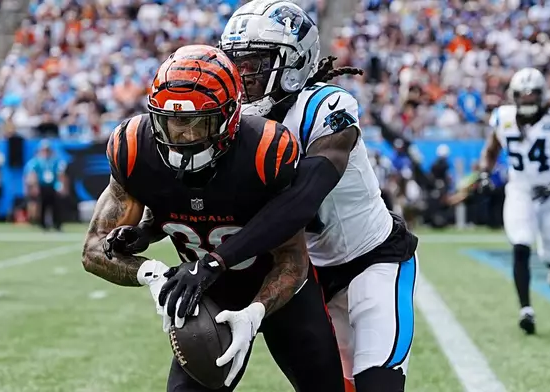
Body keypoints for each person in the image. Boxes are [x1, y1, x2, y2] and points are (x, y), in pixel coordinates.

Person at [82, 45, 345, 392]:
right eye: (171, 122)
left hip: (282, 296)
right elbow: (94, 251)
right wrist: (153, 274)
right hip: (203, 293)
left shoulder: (264, 151)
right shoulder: (135, 148)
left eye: (197, 123)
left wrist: (255, 313)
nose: (182, 138)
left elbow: (292, 258)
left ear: (230, 116)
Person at [213, 2, 418, 391]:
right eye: (236, 63)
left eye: (254, 63)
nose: (242, 76)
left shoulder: (326, 106)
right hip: (306, 277)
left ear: (292, 62)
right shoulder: (235, 125)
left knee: (377, 385)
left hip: (372, 261)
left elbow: (302, 198)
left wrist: (220, 260)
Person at [475, 67, 550, 335]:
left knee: (549, 251)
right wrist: (484, 173)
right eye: (521, 94)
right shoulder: (502, 118)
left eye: (532, 94)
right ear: (513, 96)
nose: (526, 99)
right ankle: (526, 309)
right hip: (521, 189)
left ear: (542, 95)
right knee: (521, 243)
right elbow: (490, 151)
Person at [23, 140, 67, 231]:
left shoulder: (55, 160)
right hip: (42, 185)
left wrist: (61, 185)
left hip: (53, 185)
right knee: (43, 206)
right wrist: (34, 186)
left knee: (56, 206)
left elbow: (60, 173)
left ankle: (57, 224)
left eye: (47, 150)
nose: (45, 152)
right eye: (44, 150)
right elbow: (32, 174)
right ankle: (43, 225)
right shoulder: (36, 161)